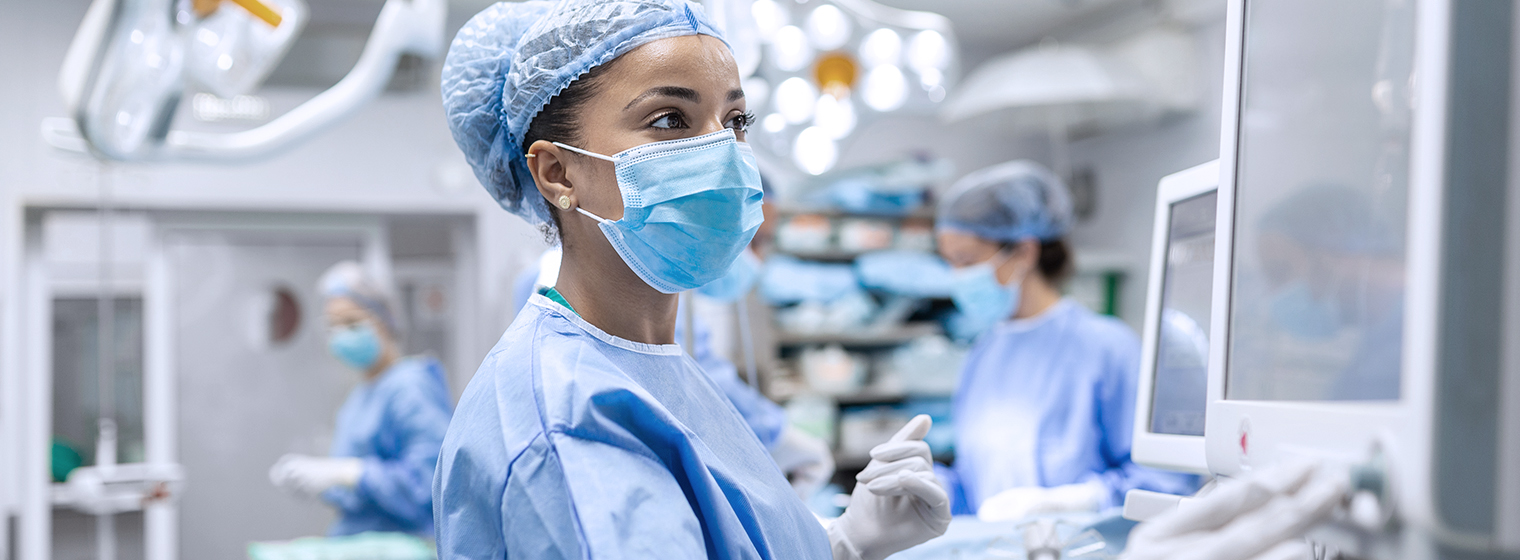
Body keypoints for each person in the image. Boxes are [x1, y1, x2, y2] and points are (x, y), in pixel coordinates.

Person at [434, 2, 949, 559]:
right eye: (669, 120)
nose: (723, 153)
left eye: (735, 122)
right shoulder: (570, 423)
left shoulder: (649, 364)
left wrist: (842, 543)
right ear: (558, 174)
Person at [933, 161, 1197, 521]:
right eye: (949, 262)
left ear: (1025, 252)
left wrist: (1078, 501)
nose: (956, 278)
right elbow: (977, 481)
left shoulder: (1107, 349)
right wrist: (931, 490)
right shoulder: (983, 354)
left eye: (966, 261)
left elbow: (1165, 482)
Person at [510, 247, 836, 500]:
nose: (755, 258)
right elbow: (695, 375)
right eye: (754, 240)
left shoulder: (540, 280)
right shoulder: (635, 297)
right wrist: (776, 432)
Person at [267, 261, 454, 536]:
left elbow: (430, 485)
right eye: (333, 327)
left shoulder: (410, 386)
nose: (342, 335)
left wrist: (352, 474)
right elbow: (360, 498)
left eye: (352, 323)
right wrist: (322, 483)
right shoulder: (362, 395)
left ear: (385, 320)